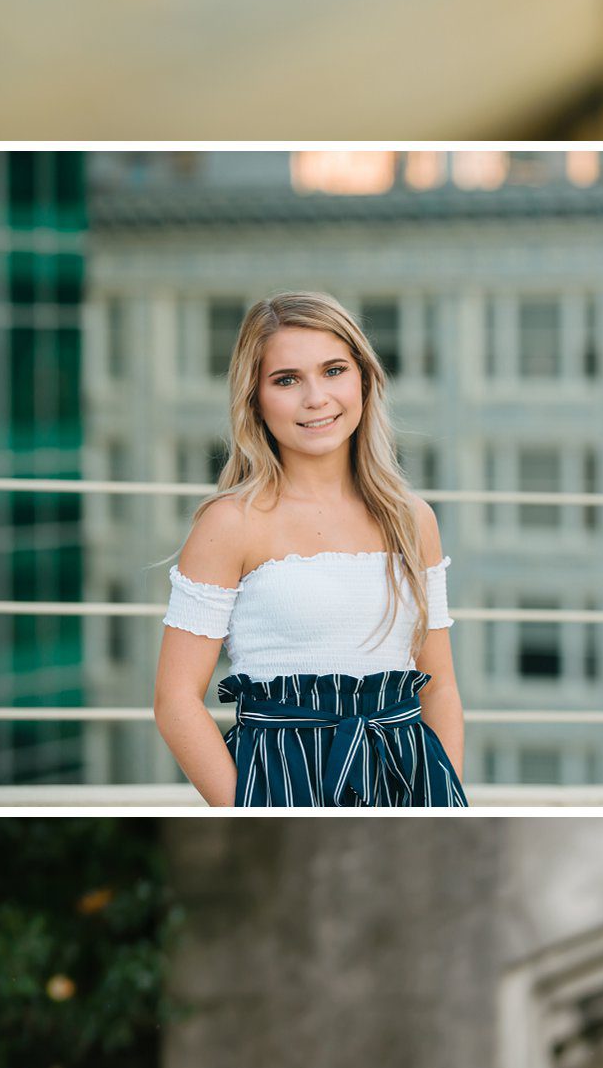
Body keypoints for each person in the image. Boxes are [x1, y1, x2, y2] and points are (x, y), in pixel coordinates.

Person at [152, 292, 467, 808]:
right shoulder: (229, 523)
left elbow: (440, 688)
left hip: (410, 778)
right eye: (286, 380)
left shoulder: (413, 520)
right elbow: (175, 701)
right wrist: (246, 809)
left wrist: (445, 797)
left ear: (364, 378)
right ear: (254, 399)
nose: (316, 398)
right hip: (281, 780)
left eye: (334, 370)